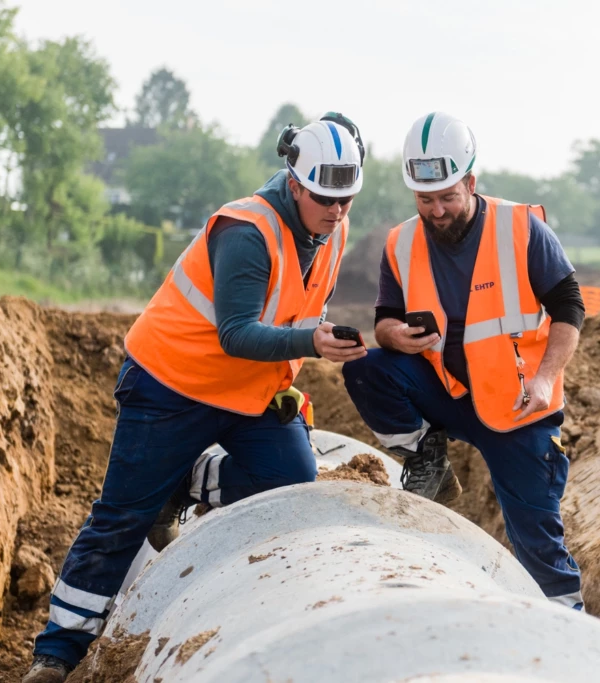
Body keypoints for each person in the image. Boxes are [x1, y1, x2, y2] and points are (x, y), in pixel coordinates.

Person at [23, 114, 368, 683]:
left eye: (347, 199)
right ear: (296, 183)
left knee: (289, 478)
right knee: (121, 518)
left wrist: (307, 346)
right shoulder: (247, 232)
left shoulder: (332, 228)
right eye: (326, 198)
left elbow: (296, 303)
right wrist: (311, 341)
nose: (337, 211)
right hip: (171, 383)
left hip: (249, 389)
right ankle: (56, 654)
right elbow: (235, 332)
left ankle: (185, 483)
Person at [342, 112, 586, 609]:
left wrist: (545, 379)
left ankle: (567, 625)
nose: (436, 211)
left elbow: (570, 306)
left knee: (537, 542)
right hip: (447, 392)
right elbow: (384, 319)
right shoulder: (400, 243)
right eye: (425, 198)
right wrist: (395, 336)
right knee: (367, 369)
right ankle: (427, 456)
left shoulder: (521, 228)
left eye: (447, 197)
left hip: (517, 405)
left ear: (471, 182)